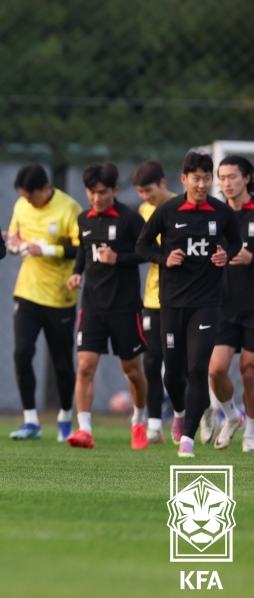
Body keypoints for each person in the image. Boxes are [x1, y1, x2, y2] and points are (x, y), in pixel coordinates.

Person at [137, 151, 241, 458]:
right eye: (196, 178)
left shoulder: (221, 213)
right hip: (170, 303)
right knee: (173, 373)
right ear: (184, 180)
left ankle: (188, 439)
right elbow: (142, 244)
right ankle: (180, 413)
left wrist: (226, 254)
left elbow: (234, 242)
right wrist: (163, 258)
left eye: (207, 178)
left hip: (207, 303)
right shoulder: (168, 210)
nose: (202, 184)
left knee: (198, 369)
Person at [65, 164, 149, 450]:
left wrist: (119, 258)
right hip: (92, 307)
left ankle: (139, 420)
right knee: (85, 366)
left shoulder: (129, 219)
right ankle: (84, 429)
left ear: (114, 190)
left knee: (133, 370)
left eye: (102, 192)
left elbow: (147, 251)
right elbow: (82, 250)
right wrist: (77, 272)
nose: (96, 198)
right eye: (91, 192)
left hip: (125, 307)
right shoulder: (83, 219)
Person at [7, 164, 82, 441]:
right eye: (23, 197)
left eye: (30, 197)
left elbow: (80, 248)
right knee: (22, 353)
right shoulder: (21, 205)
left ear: (45, 189)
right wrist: (14, 245)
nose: (27, 202)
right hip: (27, 292)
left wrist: (45, 249)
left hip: (60, 296)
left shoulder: (68, 208)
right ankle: (30, 420)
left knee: (62, 362)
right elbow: (15, 236)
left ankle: (64, 417)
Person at [207, 155, 254, 451]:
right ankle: (232, 415)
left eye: (232, 177)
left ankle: (251, 429)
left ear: (247, 178)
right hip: (223, 305)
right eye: (221, 177)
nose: (226, 183)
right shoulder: (215, 216)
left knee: (249, 369)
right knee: (215, 369)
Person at [133, 160, 178, 444]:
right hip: (152, 296)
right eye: (140, 192)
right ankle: (153, 423)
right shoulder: (143, 211)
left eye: (148, 190)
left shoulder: (182, 206)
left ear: (163, 183)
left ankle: (194, 412)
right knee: (151, 359)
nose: (145, 197)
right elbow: (143, 248)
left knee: (181, 363)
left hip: (183, 297)